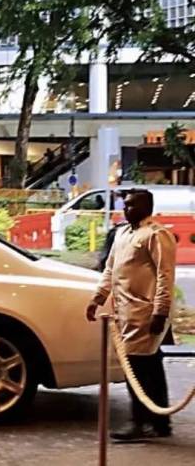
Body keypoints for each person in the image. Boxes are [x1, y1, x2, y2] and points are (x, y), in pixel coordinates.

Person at [86, 188, 176, 442]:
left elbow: (165, 276)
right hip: (125, 312)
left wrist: (160, 311)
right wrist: (97, 298)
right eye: (125, 205)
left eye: (132, 205)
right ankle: (159, 422)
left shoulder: (156, 235)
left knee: (137, 369)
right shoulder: (122, 233)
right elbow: (110, 269)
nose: (126, 209)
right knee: (149, 365)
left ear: (146, 207)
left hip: (145, 312)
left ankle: (140, 421)